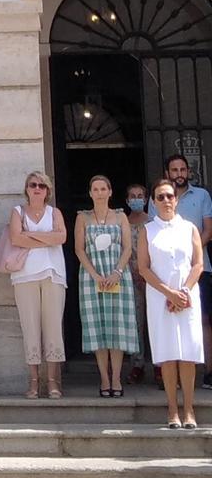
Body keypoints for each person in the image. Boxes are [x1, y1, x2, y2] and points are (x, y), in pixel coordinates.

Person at [138, 179, 204, 429]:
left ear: (176, 199)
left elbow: (197, 263)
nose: (166, 201)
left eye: (169, 196)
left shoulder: (189, 229)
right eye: (160, 197)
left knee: (187, 352)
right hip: (159, 297)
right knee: (167, 354)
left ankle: (189, 409)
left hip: (187, 297)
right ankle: (172, 409)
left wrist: (183, 292)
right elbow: (143, 267)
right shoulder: (148, 231)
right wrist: (168, 292)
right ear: (153, 202)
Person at [148, 155, 212, 390]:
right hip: (162, 278)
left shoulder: (202, 196)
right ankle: (167, 379)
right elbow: (151, 230)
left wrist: (192, 250)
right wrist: (169, 290)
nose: (179, 173)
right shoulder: (158, 197)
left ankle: (207, 373)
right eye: (174, 169)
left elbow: (207, 230)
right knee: (165, 329)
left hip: (196, 270)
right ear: (168, 172)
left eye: (183, 169)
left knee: (201, 322)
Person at [74, 175, 139, 397]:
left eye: (103, 188)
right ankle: (104, 378)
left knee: (116, 327)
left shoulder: (120, 216)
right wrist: (95, 275)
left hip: (117, 277)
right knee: (98, 328)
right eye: (95, 189)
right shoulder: (82, 218)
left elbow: (128, 248)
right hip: (92, 278)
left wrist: (116, 272)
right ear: (90, 193)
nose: (100, 192)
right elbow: (79, 250)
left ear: (110, 192)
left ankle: (117, 378)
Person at [9, 171, 68, 399]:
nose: (37, 188)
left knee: (53, 328)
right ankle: (33, 383)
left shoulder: (55, 212)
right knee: (30, 328)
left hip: (53, 274)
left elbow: (61, 238)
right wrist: (47, 238)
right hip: (24, 276)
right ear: (26, 188)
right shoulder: (17, 211)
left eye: (42, 186)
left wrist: (30, 236)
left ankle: (53, 382)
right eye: (33, 185)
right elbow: (16, 238)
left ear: (47, 191)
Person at [124, 183, 155, 385]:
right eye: (132, 196)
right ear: (127, 200)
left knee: (155, 322)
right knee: (135, 323)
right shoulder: (123, 223)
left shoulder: (153, 222)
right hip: (130, 278)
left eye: (140, 196)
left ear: (146, 200)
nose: (136, 199)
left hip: (152, 278)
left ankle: (161, 366)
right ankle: (138, 364)